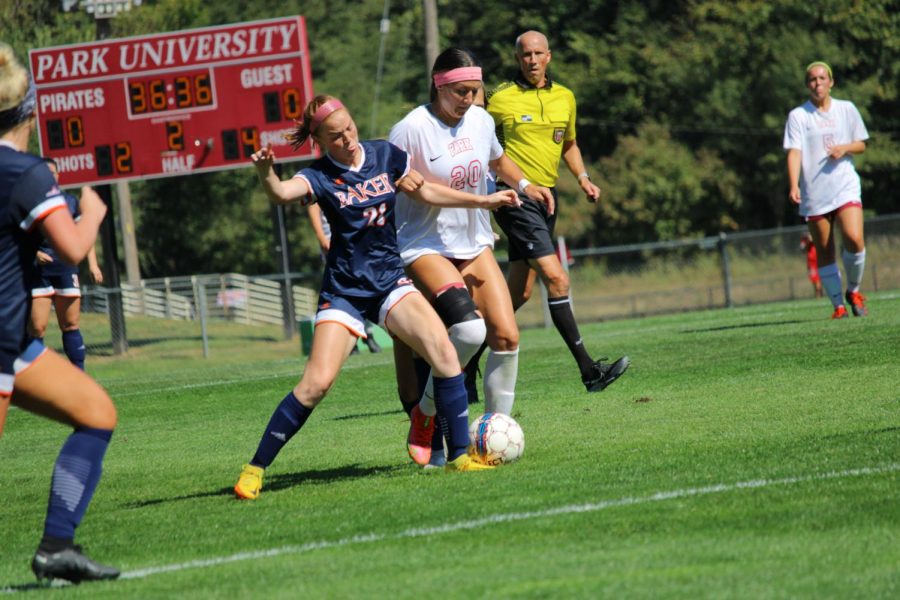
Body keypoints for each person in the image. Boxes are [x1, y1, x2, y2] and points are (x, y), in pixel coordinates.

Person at [234, 94, 522, 499]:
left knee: (445, 352)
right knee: (316, 385)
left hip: (389, 282)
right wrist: (266, 172)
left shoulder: (385, 155)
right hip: (345, 292)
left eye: (349, 128)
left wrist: (483, 200)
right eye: (336, 136)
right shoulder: (318, 177)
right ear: (318, 139)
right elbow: (281, 193)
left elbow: (428, 193)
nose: (348, 139)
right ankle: (254, 469)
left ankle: (458, 456)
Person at [389, 47, 554, 468]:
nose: (469, 99)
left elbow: (498, 160)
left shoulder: (480, 120)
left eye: (474, 90)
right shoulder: (411, 129)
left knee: (506, 336)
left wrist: (526, 182)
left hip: (474, 243)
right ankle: (424, 416)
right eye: (460, 91)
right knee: (467, 333)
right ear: (438, 84)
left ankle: (489, 437)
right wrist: (483, 202)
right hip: (425, 244)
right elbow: (422, 191)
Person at [0, 43, 119, 584]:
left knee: (96, 412)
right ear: (31, 108)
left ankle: (57, 546)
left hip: (14, 343)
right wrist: (93, 212)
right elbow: (71, 249)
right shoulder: (25, 172)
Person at [485, 31, 629, 392]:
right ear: (517, 59)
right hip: (515, 198)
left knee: (517, 295)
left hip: (547, 200)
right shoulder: (499, 99)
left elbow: (569, 143)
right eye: (525, 55)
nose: (532, 60)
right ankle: (589, 372)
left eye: (538, 53)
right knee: (558, 278)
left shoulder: (566, 97)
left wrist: (583, 178)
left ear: (548, 56)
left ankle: (463, 357)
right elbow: (476, 145)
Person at [784, 61, 869, 319]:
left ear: (831, 82)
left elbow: (861, 144)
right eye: (812, 79)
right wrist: (793, 183)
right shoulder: (798, 116)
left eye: (822, 78)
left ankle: (853, 290)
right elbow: (794, 152)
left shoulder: (847, 109)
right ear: (807, 85)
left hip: (844, 186)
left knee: (854, 237)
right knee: (824, 249)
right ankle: (838, 306)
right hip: (815, 192)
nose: (817, 83)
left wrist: (845, 147)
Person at [28, 157, 103, 370]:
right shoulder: (30, 202)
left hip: (65, 268)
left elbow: (83, 235)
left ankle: (80, 374)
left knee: (70, 324)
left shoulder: (70, 202)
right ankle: (38, 379)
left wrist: (93, 264)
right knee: (37, 327)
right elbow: (16, 235)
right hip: (38, 271)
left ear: (58, 176)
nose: (49, 177)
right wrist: (33, 253)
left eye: (52, 173)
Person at [307, 202, 382, 353]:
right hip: (335, 243)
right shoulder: (323, 179)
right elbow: (313, 206)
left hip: (358, 240)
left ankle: (367, 334)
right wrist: (321, 237)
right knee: (343, 289)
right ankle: (351, 338)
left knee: (365, 285)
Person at [800, 233, 823, 298]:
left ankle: (820, 295)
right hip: (811, 263)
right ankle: (818, 296)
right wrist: (808, 242)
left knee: (820, 280)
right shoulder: (804, 238)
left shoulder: (817, 233)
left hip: (820, 260)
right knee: (815, 280)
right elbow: (803, 250)